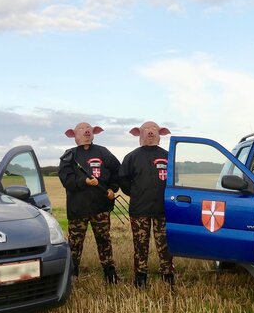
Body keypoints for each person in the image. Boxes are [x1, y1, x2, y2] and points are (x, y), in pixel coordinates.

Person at [58, 122, 121, 284]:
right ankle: (72, 274)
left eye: (89, 129)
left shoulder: (103, 152)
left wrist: (113, 189)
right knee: (75, 243)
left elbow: (117, 171)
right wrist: (84, 180)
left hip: (100, 208)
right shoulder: (68, 155)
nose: (86, 131)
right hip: (78, 209)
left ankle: (110, 274)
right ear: (73, 134)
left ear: (95, 133)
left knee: (104, 240)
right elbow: (66, 179)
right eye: (81, 129)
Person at [119, 121, 175, 288]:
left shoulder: (168, 156)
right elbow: (123, 180)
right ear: (139, 133)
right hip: (139, 210)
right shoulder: (131, 157)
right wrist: (137, 194)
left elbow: (174, 179)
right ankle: (140, 275)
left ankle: (167, 273)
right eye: (146, 129)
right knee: (140, 244)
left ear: (161, 133)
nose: (150, 132)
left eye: (154, 129)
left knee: (164, 244)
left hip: (163, 209)